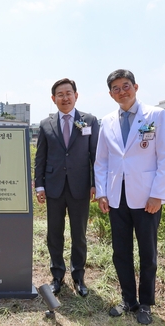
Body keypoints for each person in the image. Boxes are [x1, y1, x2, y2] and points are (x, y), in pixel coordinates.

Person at [95, 69, 165, 325]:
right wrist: (103, 193)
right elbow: (102, 161)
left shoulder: (155, 116)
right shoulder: (106, 121)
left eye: (125, 86)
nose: (121, 91)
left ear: (136, 87)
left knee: (147, 253)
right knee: (121, 252)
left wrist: (158, 195)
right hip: (117, 198)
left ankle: (146, 303)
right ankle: (129, 299)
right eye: (115, 88)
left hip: (147, 199)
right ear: (110, 94)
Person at [34, 78, 99, 296]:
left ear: (76, 95)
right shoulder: (45, 124)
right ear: (53, 99)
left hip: (80, 187)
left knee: (79, 234)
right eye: (60, 94)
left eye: (68, 93)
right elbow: (40, 158)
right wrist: (39, 185)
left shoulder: (88, 121)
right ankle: (57, 276)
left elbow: (95, 156)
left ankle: (78, 277)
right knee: (54, 234)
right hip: (53, 188)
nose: (65, 97)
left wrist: (95, 184)